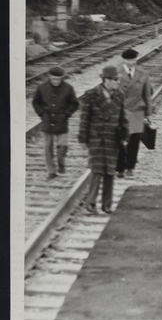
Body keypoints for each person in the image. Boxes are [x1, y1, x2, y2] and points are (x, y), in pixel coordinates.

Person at [78, 66, 129, 214]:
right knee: (97, 170)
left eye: (118, 79)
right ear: (106, 80)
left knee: (110, 172)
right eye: (115, 80)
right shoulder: (90, 95)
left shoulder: (119, 96)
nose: (118, 82)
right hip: (96, 139)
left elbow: (123, 118)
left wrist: (125, 136)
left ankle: (107, 205)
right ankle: (91, 203)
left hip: (113, 139)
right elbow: (84, 119)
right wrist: (83, 139)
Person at [32, 66, 80, 180]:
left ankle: (61, 164)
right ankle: (51, 171)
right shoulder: (42, 88)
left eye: (58, 79)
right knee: (48, 147)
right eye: (53, 79)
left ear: (62, 78)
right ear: (49, 77)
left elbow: (74, 104)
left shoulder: (68, 88)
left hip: (61, 121)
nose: (56, 82)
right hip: (47, 120)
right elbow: (36, 102)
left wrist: (66, 114)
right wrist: (42, 114)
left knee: (62, 146)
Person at [115, 48, 154, 179]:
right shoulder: (116, 73)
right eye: (128, 60)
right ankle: (120, 168)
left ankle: (130, 167)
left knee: (134, 140)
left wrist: (148, 114)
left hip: (137, 110)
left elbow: (147, 95)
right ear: (123, 60)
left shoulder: (143, 73)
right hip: (120, 111)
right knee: (120, 141)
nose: (131, 62)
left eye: (133, 60)